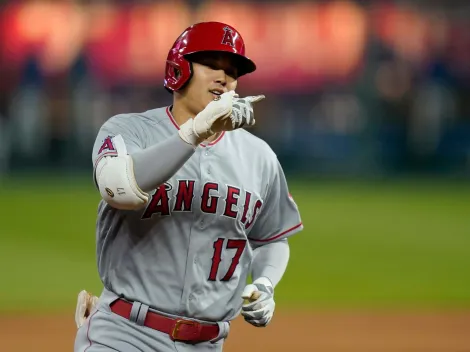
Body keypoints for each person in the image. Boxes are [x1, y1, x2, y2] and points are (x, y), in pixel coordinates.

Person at [74, 21, 303, 352]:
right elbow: (118, 187)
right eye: (212, 64)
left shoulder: (258, 156)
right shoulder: (129, 131)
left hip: (208, 343)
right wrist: (195, 132)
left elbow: (273, 238)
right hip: (126, 334)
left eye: (233, 71)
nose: (224, 77)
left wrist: (265, 283)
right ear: (178, 69)